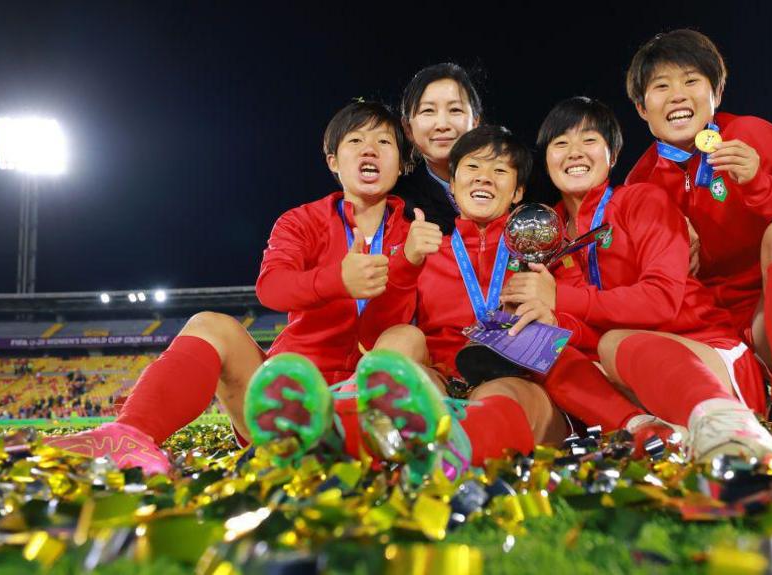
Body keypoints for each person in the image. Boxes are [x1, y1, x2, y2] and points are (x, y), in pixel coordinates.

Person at [46, 101, 415, 475]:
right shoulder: (300, 221)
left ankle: (354, 426)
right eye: (355, 140)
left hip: (368, 395)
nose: (370, 148)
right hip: (283, 392)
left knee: (405, 337)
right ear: (333, 161)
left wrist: (408, 264)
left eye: (384, 142)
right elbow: (271, 288)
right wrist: (337, 280)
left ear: (401, 163)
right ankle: (129, 433)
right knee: (210, 323)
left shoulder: (421, 233)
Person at [362, 125, 662, 467]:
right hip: (441, 380)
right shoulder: (425, 250)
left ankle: (445, 463)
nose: (484, 178)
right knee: (402, 339)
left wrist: (554, 321)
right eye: (472, 167)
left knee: (495, 396)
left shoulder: (544, 255)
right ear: (454, 184)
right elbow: (373, 333)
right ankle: (362, 428)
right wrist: (405, 265)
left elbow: (587, 332)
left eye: (500, 170)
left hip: (517, 384)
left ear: (517, 192)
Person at [503, 96, 772, 461]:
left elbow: (662, 301)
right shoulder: (546, 234)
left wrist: (560, 300)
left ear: (613, 155)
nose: (574, 152)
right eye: (560, 143)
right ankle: (647, 431)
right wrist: (552, 320)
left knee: (617, 342)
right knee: (543, 347)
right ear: (547, 159)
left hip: (703, 356)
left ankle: (726, 425)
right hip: (629, 377)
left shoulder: (643, 200)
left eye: (589, 140)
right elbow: (588, 328)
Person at [623, 30, 772, 425]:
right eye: (660, 86)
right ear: (642, 108)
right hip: (703, 336)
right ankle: (730, 392)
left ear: (716, 93)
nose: (677, 95)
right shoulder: (638, 183)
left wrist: (762, 184)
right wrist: (666, 245)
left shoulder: (752, 135)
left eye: (691, 80)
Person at [392, 63, 482, 235]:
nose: (442, 125)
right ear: (408, 128)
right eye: (428, 110)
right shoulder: (399, 201)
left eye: (455, 110)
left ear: (475, 122)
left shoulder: (510, 183)